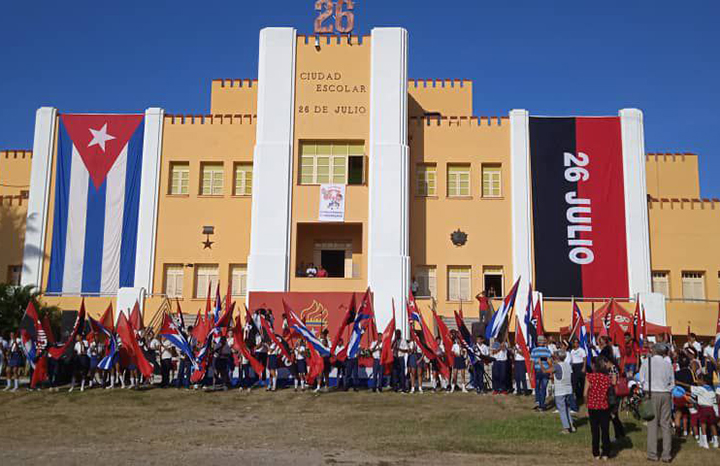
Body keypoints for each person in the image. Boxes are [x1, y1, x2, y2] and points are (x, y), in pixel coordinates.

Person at [640, 343, 674, 462]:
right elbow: (672, 383)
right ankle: (666, 455)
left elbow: (641, 379)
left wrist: (646, 391)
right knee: (666, 424)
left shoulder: (646, 362)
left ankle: (653, 454)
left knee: (652, 424)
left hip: (652, 393)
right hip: (666, 393)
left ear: (654, 351)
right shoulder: (668, 364)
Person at [585, 357, 613, 460]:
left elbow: (585, 393)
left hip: (592, 406)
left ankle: (596, 453)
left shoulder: (589, 377)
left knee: (595, 431)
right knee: (605, 430)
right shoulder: (607, 378)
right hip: (604, 406)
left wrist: (586, 405)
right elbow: (610, 390)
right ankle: (606, 453)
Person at [545, 349, 575, 434]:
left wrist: (542, 363)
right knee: (567, 409)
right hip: (568, 389)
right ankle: (571, 426)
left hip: (560, 390)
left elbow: (546, 371)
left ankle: (566, 428)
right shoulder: (568, 365)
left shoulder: (557, 366)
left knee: (562, 410)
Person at [690, 373, 719, 448]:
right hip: (711, 409)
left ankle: (705, 443)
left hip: (703, 409)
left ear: (704, 381)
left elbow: (690, 388)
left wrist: (679, 383)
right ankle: (716, 442)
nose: (697, 381)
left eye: (699, 380)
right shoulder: (712, 389)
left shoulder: (701, 389)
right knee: (713, 425)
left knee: (703, 425)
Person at [531, 336, 553, 411]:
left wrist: (531, 372)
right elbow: (550, 362)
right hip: (546, 371)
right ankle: (542, 404)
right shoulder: (547, 351)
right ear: (543, 342)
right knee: (543, 388)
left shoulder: (534, 350)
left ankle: (538, 401)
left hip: (537, 370)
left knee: (537, 387)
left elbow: (532, 362)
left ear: (537, 342)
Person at [569, 338, 587, 406]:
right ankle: (577, 396)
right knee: (574, 383)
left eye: (577, 342)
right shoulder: (572, 351)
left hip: (580, 365)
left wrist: (584, 367)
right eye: (574, 342)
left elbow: (584, 359)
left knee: (582, 382)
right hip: (574, 367)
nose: (576, 344)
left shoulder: (581, 350)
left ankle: (583, 396)